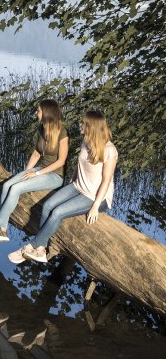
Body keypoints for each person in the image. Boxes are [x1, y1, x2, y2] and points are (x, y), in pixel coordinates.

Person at [9, 110, 118, 264]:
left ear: (91, 127)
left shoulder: (109, 150)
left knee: (58, 212)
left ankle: (30, 247)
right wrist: (73, 179)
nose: (81, 125)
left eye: (84, 123)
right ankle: (41, 250)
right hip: (78, 186)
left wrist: (95, 206)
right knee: (47, 205)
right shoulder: (86, 141)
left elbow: (106, 180)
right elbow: (80, 164)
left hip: (96, 196)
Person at [0, 99, 69, 243]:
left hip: (55, 176)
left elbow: (61, 161)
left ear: (47, 113)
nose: (36, 113)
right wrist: (26, 172)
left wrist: (36, 174)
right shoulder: (42, 129)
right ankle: (3, 231)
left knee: (16, 189)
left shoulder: (62, 132)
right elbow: (36, 153)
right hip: (40, 168)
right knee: (7, 185)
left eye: (39, 110)